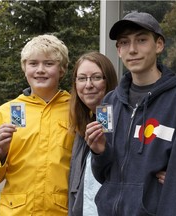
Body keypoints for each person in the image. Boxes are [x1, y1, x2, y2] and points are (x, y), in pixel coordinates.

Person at [85, 12, 176, 216]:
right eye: (124, 42)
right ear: (118, 50)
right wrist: (99, 151)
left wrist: (174, 179)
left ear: (158, 45)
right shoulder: (108, 103)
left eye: (141, 40)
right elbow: (102, 173)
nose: (132, 50)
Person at [0, 34, 75, 216]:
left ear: (62, 69)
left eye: (48, 63)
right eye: (33, 63)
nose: (40, 70)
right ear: (24, 69)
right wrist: (1, 151)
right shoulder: (7, 111)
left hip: (62, 211)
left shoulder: (76, 110)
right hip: (16, 212)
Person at [68, 51, 118, 216]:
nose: (88, 85)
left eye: (96, 77)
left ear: (108, 80)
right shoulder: (82, 126)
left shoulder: (124, 121)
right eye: (82, 78)